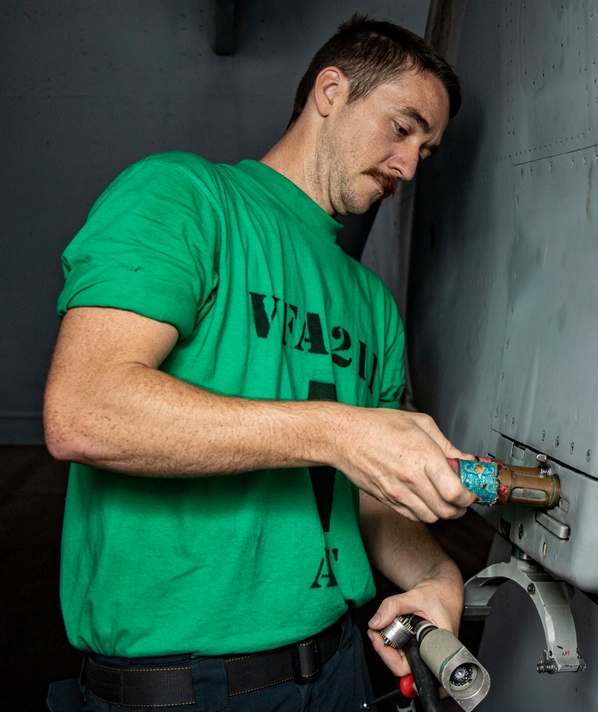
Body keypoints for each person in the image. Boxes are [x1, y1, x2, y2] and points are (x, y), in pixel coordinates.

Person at [43, 14, 477, 712]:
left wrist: (434, 571)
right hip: (185, 688)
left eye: (425, 152)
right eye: (402, 128)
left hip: (337, 669)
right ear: (330, 91)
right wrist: (340, 430)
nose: (407, 165)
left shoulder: (371, 302)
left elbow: (365, 489)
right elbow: (84, 410)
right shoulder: (184, 197)